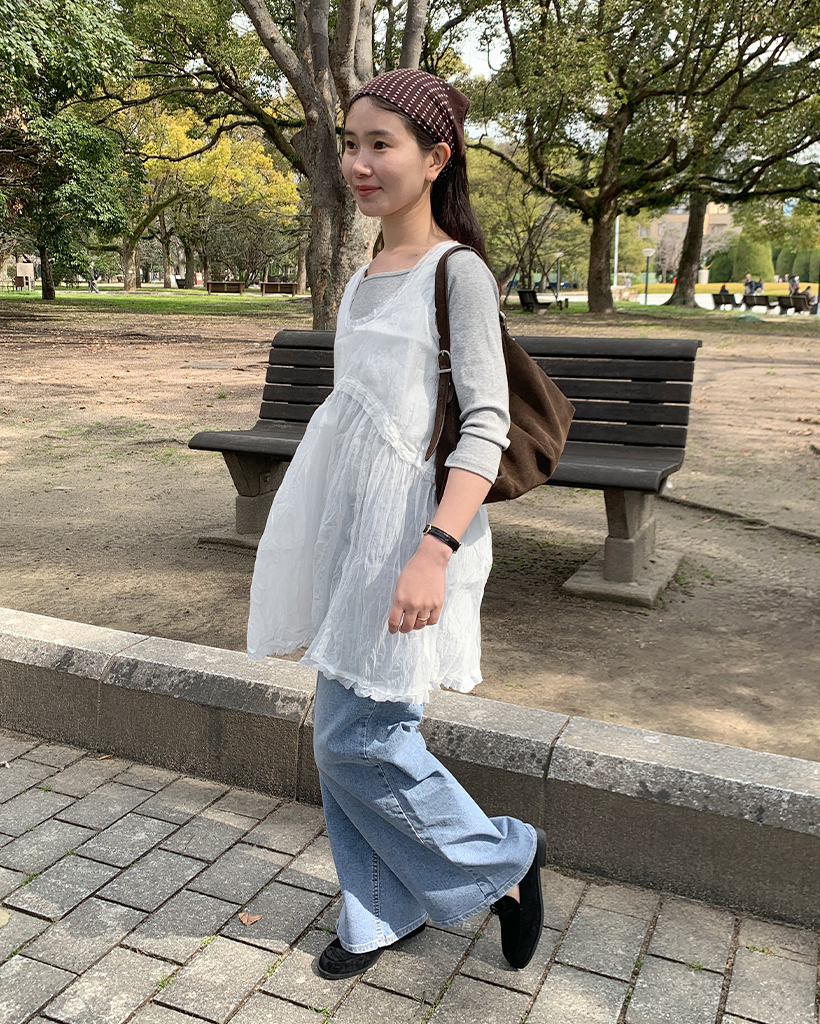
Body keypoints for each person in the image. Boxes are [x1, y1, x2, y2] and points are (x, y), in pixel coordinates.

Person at [247, 68, 546, 981]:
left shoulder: (459, 273)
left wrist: (436, 548)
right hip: (352, 535)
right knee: (341, 734)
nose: (360, 163)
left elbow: (486, 426)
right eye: (350, 144)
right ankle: (379, 912)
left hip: (417, 538)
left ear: (435, 157)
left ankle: (503, 860)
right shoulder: (361, 275)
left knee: (362, 739)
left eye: (382, 144)